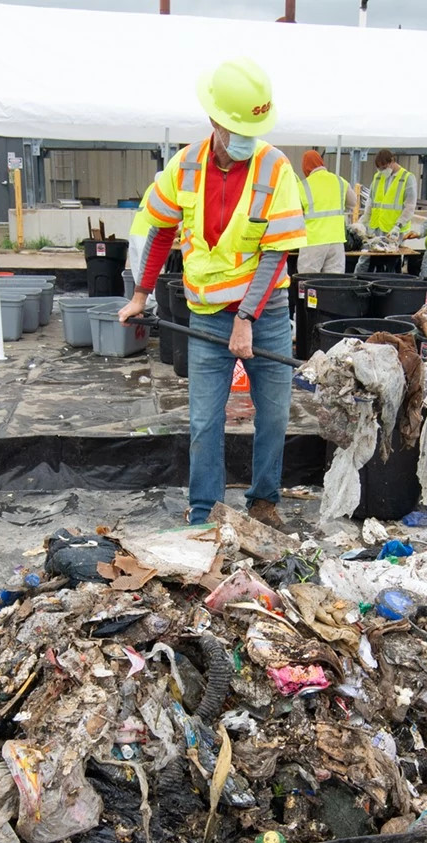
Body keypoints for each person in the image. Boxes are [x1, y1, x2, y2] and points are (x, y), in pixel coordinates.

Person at [118, 57, 306, 528]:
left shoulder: (275, 167)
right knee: (204, 422)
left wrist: (246, 318)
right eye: (236, 127)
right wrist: (141, 295)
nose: (245, 137)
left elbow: (275, 253)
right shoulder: (184, 166)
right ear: (215, 122)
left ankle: (264, 502)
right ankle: (204, 512)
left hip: (265, 313)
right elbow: (161, 231)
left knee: (274, 417)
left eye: (253, 127)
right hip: (206, 316)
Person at [354, 149, 416, 273]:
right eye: (380, 168)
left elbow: (409, 207)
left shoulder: (407, 178)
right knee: (364, 260)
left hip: (392, 232)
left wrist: (398, 226)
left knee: (390, 265)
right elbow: (371, 202)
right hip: (375, 229)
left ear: (392, 161)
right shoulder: (378, 177)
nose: (382, 171)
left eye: (384, 167)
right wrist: (363, 222)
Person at [296, 150, 350, 275]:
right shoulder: (339, 181)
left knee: (308, 280)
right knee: (333, 283)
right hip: (336, 240)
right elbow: (352, 202)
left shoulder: (302, 186)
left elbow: (295, 213)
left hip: (313, 241)